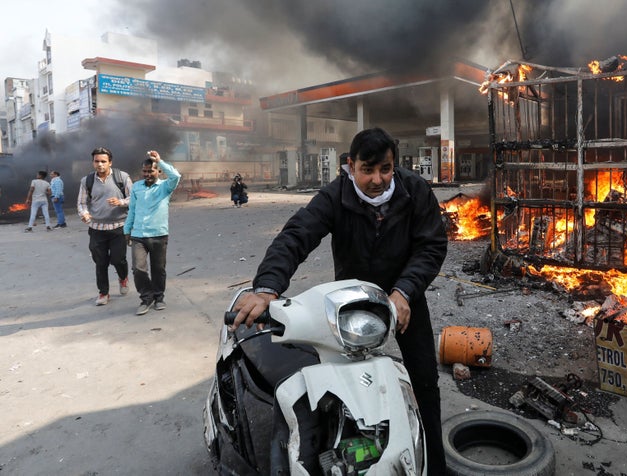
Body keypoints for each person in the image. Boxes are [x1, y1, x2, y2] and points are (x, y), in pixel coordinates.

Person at [229, 127, 448, 474]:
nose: (377, 179)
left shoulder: (415, 190)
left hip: (404, 297)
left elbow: (432, 245)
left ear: (395, 165)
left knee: (423, 382)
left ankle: (434, 464)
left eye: (386, 169)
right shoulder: (334, 196)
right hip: (352, 303)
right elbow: (296, 236)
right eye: (367, 170)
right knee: (345, 388)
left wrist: (404, 291)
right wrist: (267, 287)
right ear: (350, 165)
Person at [123, 150, 181, 315]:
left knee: (158, 269)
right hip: (138, 236)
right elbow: (132, 210)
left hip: (159, 235)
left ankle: (159, 297)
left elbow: (176, 176)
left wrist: (160, 160)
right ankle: (146, 298)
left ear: (158, 171)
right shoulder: (136, 187)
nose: (147, 174)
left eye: (151, 171)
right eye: (145, 171)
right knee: (138, 269)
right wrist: (127, 230)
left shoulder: (165, 187)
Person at [77, 146, 133, 306]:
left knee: (118, 259)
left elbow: (134, 198)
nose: (100, 164)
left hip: (118, 227)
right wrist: (84, 214)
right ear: (93, 162)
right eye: (96, 161)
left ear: (110, 162)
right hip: (97, 229)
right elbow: (81, 203)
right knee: (100, 262)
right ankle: (103, 292)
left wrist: (121, 202)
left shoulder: (122, 177)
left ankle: (123, 278)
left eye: (103, 161)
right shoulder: (86, 181)